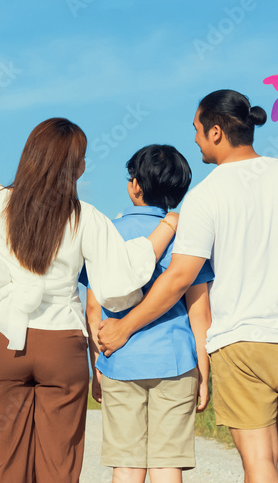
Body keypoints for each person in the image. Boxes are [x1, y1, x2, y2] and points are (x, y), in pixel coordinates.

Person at [97, 90, 278, 483]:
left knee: (259, 463)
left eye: (196, 130)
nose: (194, 139)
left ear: (215, 131)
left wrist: (125, 326)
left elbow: (179, 278)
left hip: (239, 341)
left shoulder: (204, 196)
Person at [0, 118, 179, 483]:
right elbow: (119, 280)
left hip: (3, 340)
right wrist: (164, 229)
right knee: (60, 464)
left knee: (4, 461)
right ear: (76, 167)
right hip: (60, 344)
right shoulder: (86, 217)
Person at [84, 144, 213, 483]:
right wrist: (204, 368)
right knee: (167, 463)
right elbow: (199, 310)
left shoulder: (106, 233)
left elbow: (94, 307)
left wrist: (95, 363)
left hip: (118, 358)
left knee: (125, 464)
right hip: (176, 361)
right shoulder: (188, 236)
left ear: (135, 185)